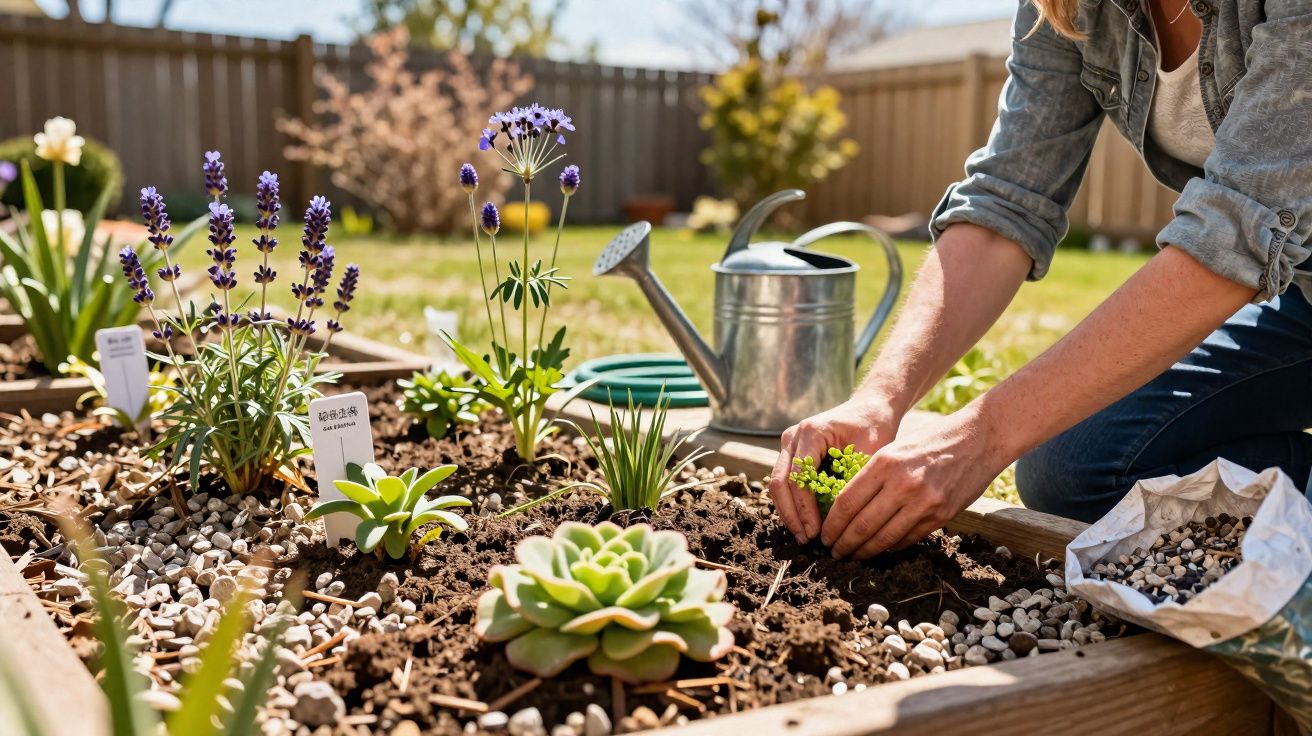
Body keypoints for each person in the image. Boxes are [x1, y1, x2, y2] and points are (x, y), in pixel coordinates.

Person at [769, 0, 1311, 560]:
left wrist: (980, 439)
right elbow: (1008, 200)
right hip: (1302, 302)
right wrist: (880, 401)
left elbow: (1236, 229)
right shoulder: (1066, 7)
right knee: (1073, 471)